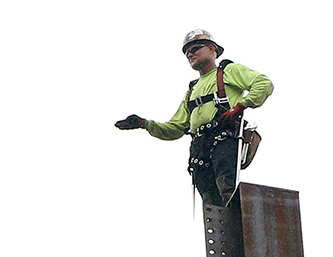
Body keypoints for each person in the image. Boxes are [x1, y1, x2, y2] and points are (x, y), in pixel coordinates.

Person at [114, 29, 273, 206]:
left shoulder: (228, 71)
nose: (190, 53)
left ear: (213, 49)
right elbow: (174, 128)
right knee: (210, 201)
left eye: (195, 48)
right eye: (187, 51)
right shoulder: (192, 91)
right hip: (199, 147)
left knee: (227, 193)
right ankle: (219, 228)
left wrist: (240, 105)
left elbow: (263, 84)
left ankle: (235, 227)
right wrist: (144, 124)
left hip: (224, 139)